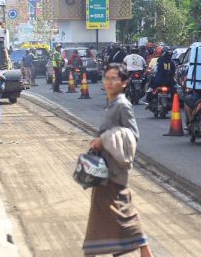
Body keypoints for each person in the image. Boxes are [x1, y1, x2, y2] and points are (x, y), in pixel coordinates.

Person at [83, 63, 152, 257]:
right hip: (105, 169)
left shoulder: (122, 105)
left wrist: (103, 139)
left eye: (115, 79)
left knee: (121, 212)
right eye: (107, 78)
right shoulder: (112, 103)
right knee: (107, 213)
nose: (110, 82)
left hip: (114, 171)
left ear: (124, 83)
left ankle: (143, 251)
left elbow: (133, 134)